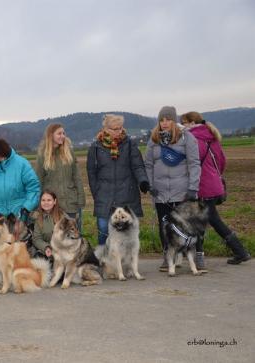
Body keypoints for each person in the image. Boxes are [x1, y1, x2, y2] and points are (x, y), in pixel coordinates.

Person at [181, 111, 250, 266]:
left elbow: (191, 164)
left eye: (184, 122)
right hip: (213, 184)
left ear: (192, 123)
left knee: (206, 221)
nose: (183, 125)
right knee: (209, 219)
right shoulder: (212, 138)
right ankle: (238, 251)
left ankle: (239, 252)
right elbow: (222, 161)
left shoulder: (193, 139)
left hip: (202, 185)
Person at [145, 106, 201, 272]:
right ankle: (168, 256)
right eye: (161, 120)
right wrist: (150, 185)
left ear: (174, 120)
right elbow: (148, 165)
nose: (164, 123)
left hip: (182, 191)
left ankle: (195, 256)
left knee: (187, 226)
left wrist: (193, 187)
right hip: (161, 193)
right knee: (165, 227)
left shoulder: (187, 138)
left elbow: (194, 163)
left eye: (168, 119)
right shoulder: (153, 139)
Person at [87, 114, 150, 246]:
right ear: (106, 129)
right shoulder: (96, 147)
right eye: (115, 129)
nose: (119, 131)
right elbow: (91, 173)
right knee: (103, 231)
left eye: (120, 128)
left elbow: (138, 165)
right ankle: (105, 263)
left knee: (127, 235)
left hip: (127, 195)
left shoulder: (130, 144)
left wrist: (143, 181)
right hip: (104, 197)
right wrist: (96, 193)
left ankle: (126, 264)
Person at [35, 123, 85, 230]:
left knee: (74, 235)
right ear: (51, 135)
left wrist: (81, 199)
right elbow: (38, 180)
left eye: (63, 133)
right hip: (53, 205)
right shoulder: (43, 154)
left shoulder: (69, 152)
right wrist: (38, 204)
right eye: (59, 133)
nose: (62, 136)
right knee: (56, 237)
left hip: (71, 202)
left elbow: (77, 177)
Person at [0, 138, 40, 220]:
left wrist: (27, 208)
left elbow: (33, 188)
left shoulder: (22, 164)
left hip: (19, 214)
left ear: (2, 154)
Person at [31, 190, 65, 259]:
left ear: (54, 201)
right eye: (43, 200)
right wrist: (46, 247)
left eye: (49, 200)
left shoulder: (62, 217)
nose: (46, 203)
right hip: (46, 251)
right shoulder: (38, 218)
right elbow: (37, 238)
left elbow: (68, 237)